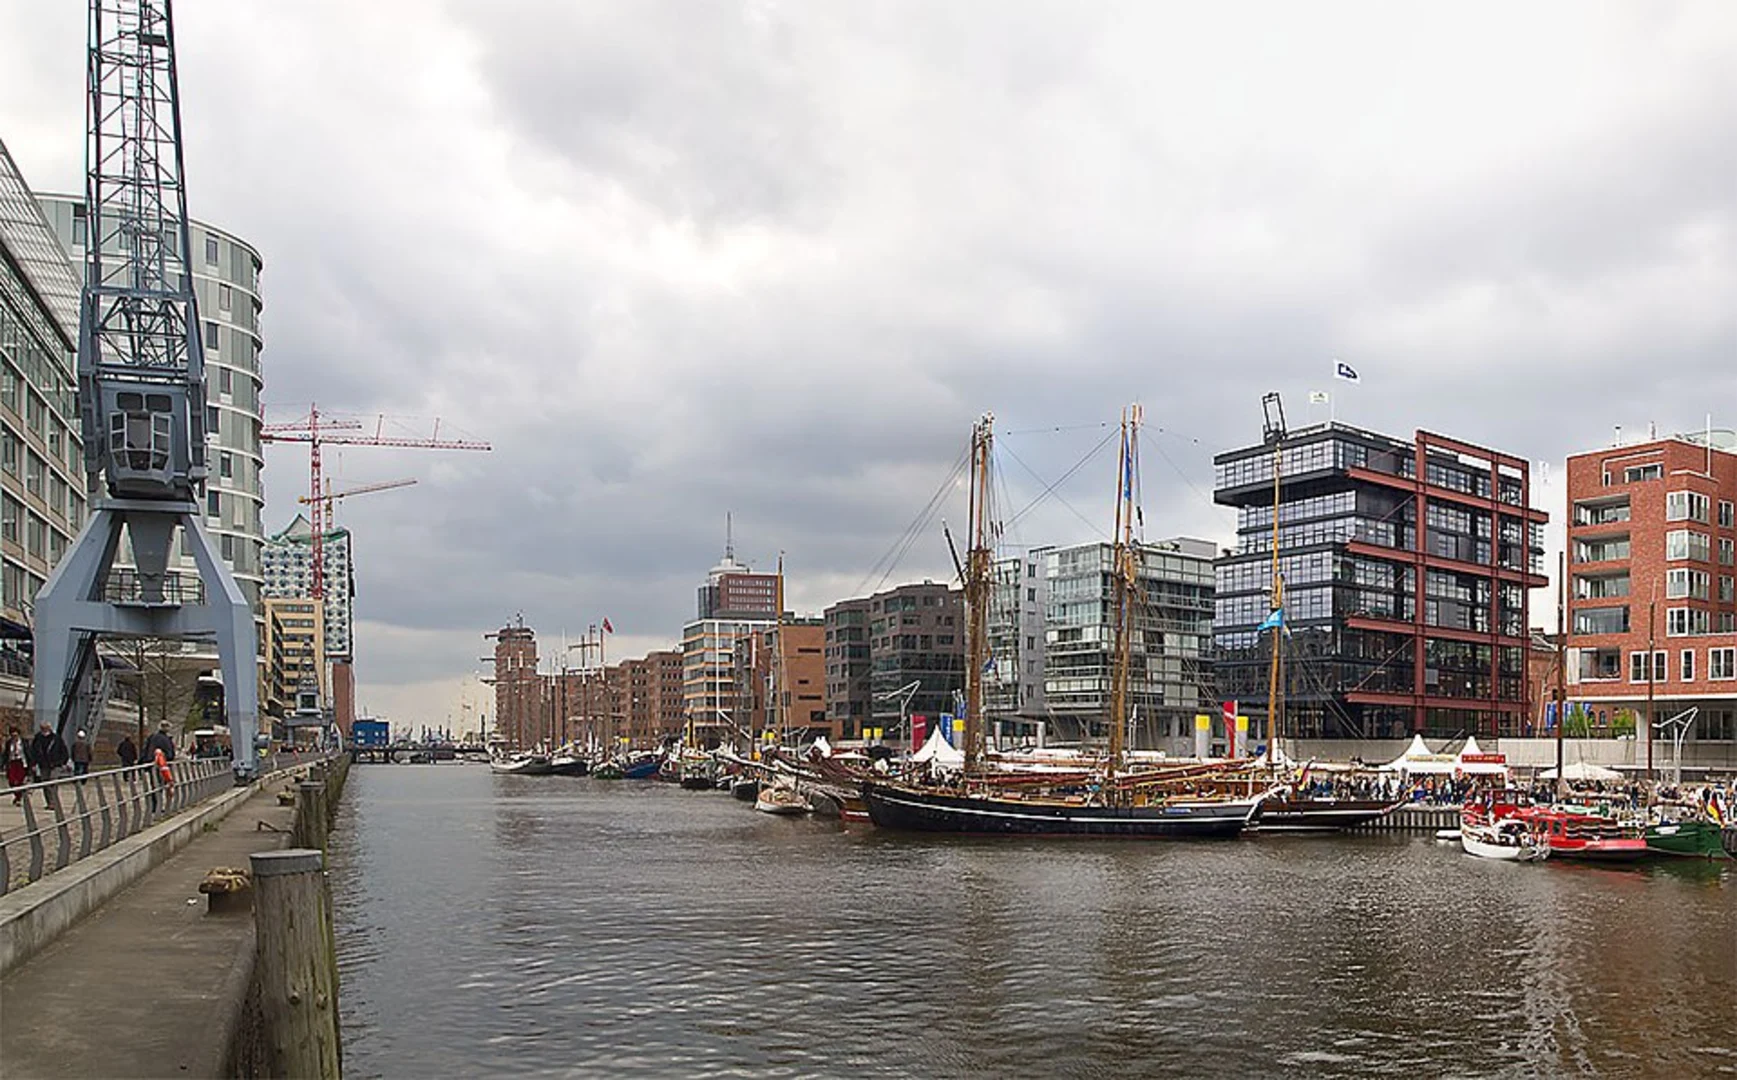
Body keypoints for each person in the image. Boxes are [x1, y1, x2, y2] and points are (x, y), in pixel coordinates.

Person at [5, 725, 26, 803]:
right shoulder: (9, 743)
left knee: (20, 780)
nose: (14, 737)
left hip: (21, 762)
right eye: (13, 735)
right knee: (12, 780)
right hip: (12, 762)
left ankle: (18, 797)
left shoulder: (23, 742)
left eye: (16, 735)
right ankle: (16, 795)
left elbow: (28, 752)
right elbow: (6, 754)